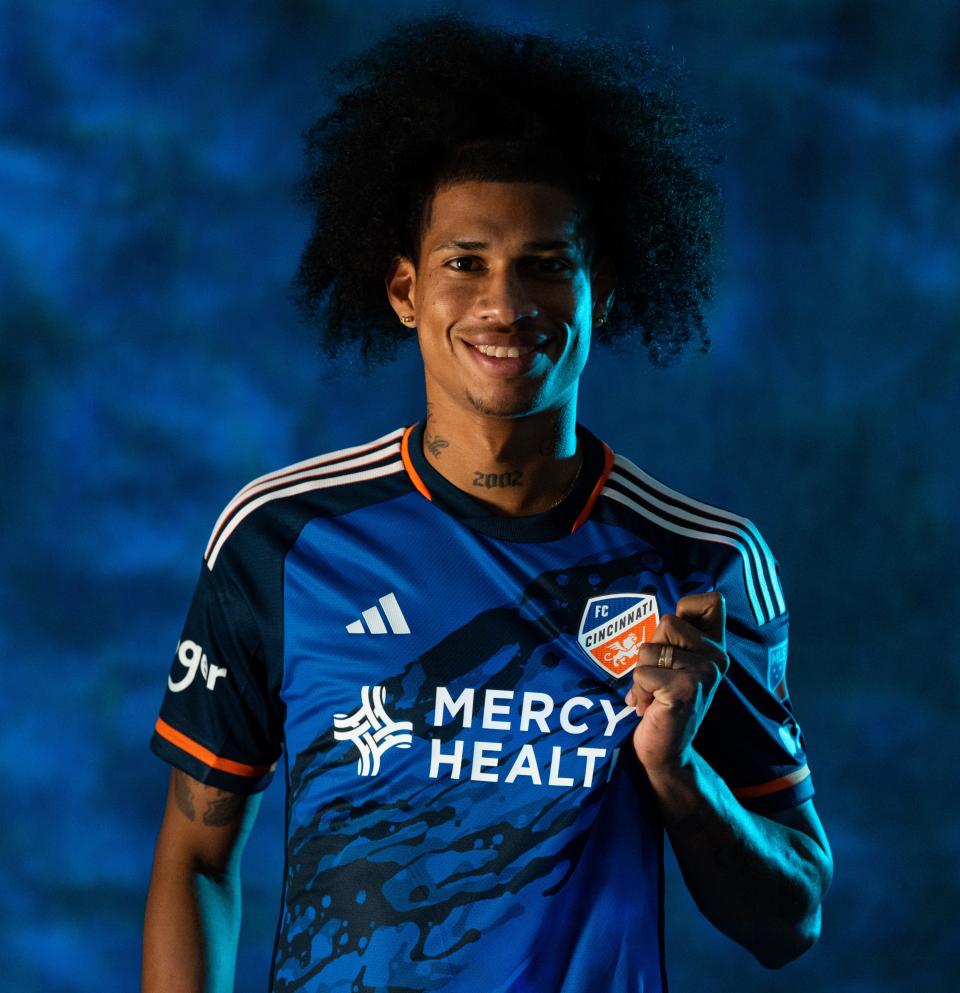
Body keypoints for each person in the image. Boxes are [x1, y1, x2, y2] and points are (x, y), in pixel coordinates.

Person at [143, 15, 832, 993]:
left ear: (601, 291)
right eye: (467, 261)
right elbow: (196, 858)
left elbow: (789, 918)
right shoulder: (283, 539)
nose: (506, 303)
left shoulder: (703, 566)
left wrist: (679, 772)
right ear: (404, 289)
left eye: (548, 264)